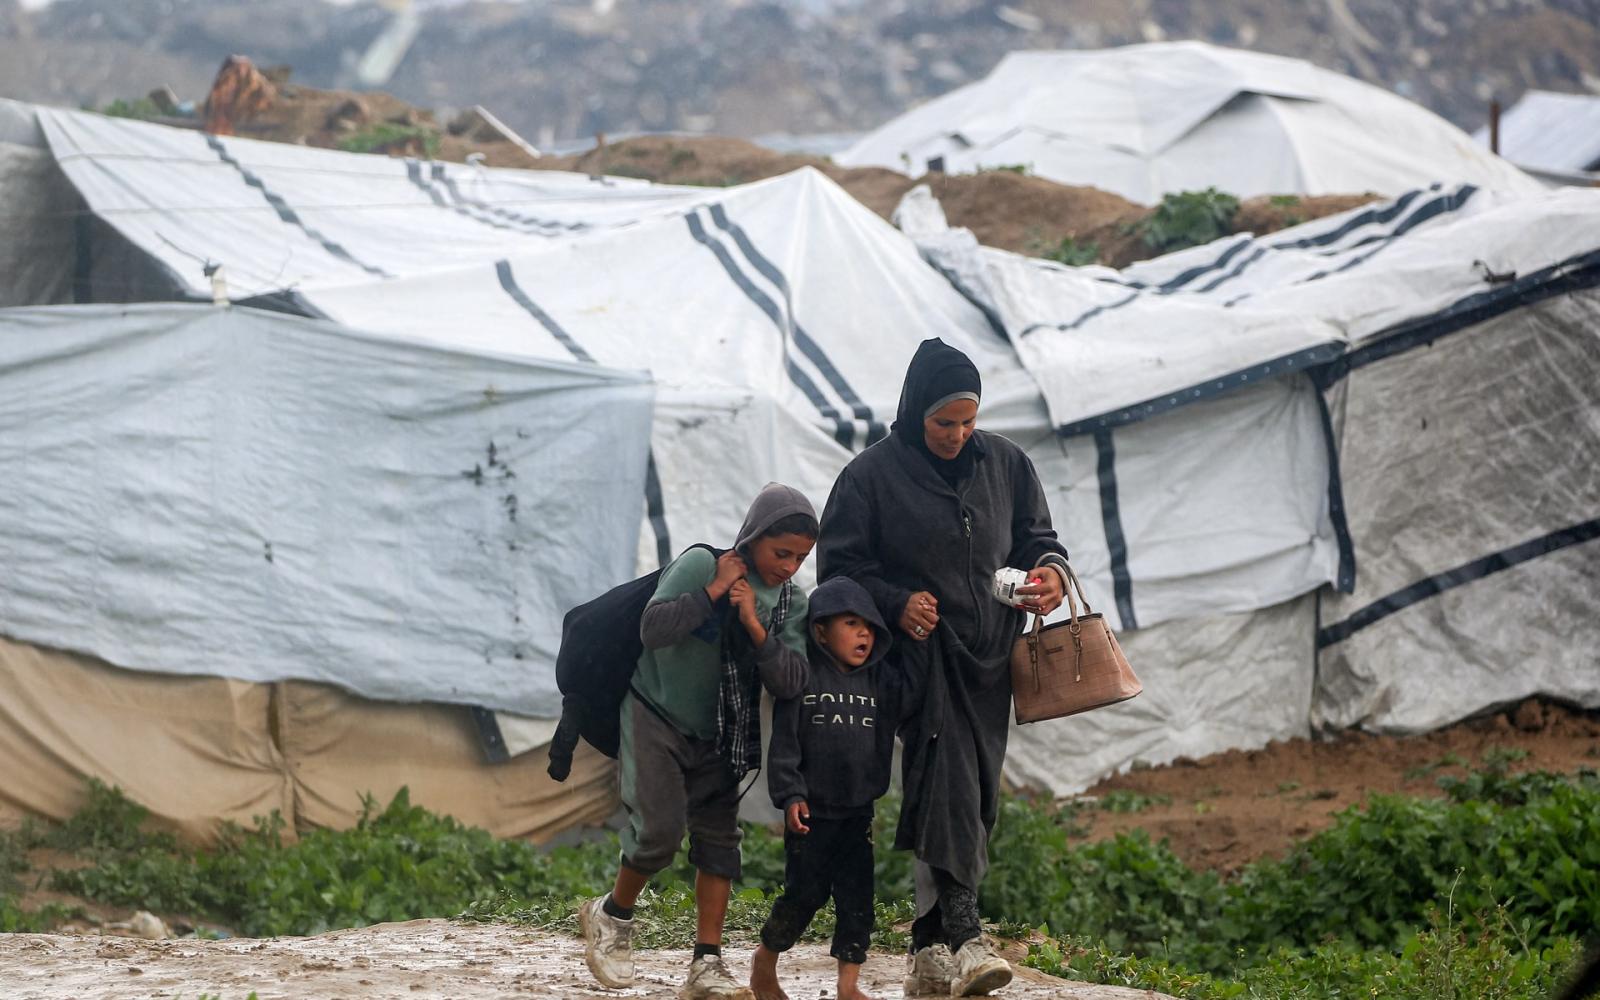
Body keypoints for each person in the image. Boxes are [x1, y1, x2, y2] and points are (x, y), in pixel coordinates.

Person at [817, 338, 1070, 997]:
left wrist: (1049, 575)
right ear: (913, 413)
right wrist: (896, 603)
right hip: (916, 661)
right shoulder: (869, 478)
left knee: (973, 794)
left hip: (989, 661)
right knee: (949, 772)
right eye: (943, 423)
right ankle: (964, 932)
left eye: (968, 421)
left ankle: (927, 949)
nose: (958, 435)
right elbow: (839, 573)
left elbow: (1039, 540)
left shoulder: (1007, 466)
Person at [579, 483, 818, 1000]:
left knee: (719, 844)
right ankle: (612, 916)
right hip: (656, 716)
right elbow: (653, 629)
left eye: (801, 557)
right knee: (658, 833)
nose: (790, 567)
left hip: (723, 735)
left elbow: (794, 680)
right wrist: (712, 594)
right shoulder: (700, 565)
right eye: (782, 553)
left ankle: (706, 964)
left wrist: (754, 626)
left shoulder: (791, 604)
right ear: (753, 538)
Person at [749, 576, 910, 1000]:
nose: (864, 634)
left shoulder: (880, 682)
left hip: (858, 813)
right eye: (852, 624)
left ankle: (848, 986)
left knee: (859, 899)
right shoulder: (802, 679)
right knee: (805, 894)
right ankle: (765, 961)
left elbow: (913, 688)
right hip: (812, 814)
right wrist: (791, 796)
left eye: (870, 627)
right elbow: (784, 745)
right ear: (820, 630)